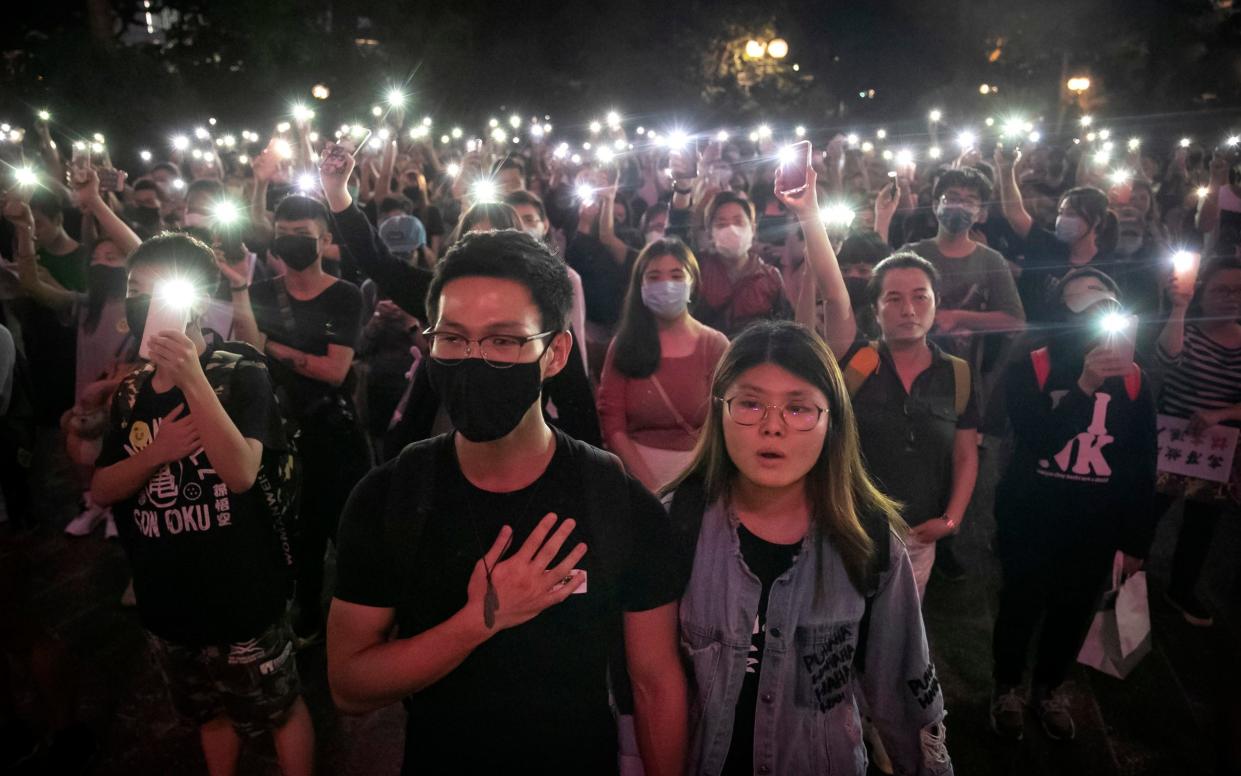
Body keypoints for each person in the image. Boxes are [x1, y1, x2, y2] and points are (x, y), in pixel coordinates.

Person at [327, 230, 688, 774]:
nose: (474, 359)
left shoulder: (615, 501)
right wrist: (480, 621)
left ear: (555, 353)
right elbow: (349, 685)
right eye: (453, 338)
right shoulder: (391, 496)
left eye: (503, 341)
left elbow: (655, 681)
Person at [667, 320, 952, 776]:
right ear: (720, 411)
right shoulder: (675, 526)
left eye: (799, 409)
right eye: (751, 403)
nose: (772, 427)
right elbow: (638, 687)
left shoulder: (868, 541)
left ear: (832, 421)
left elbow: (903, 689)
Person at [90, 233, 313, 775]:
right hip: (167, 595)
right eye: (134, 290)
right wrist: (156, 453)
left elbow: (239, 473)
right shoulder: (130, 392)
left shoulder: (239, 369)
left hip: (240, 589)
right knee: (207, 714)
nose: (144, 302)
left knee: (279, 709)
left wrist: (191, 375)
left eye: (159, 290)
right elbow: (101, 488)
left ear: (196, 297)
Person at [989, 267, 1157, 742]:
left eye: (1106, 309)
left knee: (1072, 611)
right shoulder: (1035, 365)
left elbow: (1142, 463)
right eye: (1082, 309)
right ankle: (1006, 686)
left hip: (1094, 527)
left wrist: (1135, 539)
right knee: (1020, 605)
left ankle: (1047, 688)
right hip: (1032, 518)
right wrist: (1082, 386)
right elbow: (1038, 440)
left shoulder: (1134, 379)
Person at [224, 194, 369, 642]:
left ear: (325, 239)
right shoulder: (261, 292)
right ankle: (307, 613)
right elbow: (247, 349)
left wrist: (274, 346)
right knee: (297, 530)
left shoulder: (344, 296)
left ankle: (362, 618)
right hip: (281, 430)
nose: (292, 244)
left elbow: (334, 370)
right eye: (284, 235)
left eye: (302, 237)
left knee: (347, 530)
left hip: (332, 431)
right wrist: (236, 291)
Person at [841, 253, 980, 598]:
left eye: (921, 296)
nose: (909, 309)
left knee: (899, 628)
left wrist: (950, 520)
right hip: (850, 529)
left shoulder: (957, 374)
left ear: (936, 303)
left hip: (919, 535)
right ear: (875, 309)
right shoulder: (855, 364)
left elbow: (965, 455)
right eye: (894, 298)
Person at [598, 238, 729, 491]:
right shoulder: (624, 345)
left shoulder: (714, 345)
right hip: (636, 481)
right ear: (640, 286)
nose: (666, 285)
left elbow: (725, 421)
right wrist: (649, 486)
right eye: (654, 277)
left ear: (693, 283)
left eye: (676, 275)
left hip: (700, 479)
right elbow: (612, 423)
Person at [1152, 257, 1241, 626]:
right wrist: (1179, 307)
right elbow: (1166, 362)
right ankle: (1122, 576)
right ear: (1202, 290)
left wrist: (1221, 415)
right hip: (1171, 438)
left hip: (1218, 448)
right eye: (1222, 289)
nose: (1232, 298)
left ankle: (1181, 589)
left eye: (1239, 291)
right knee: (1149, 512)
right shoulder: (1184, 327)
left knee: (1202, 525)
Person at [899, 168, 1026, 344]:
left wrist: (958, 317)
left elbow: (1015, 321)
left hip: (967, 368)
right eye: (952, 198)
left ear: (982, 215)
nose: (959, 206)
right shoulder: (911, 254)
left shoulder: (991, 260)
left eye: (969, 202)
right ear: (936, 206)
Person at [994, 149, 1115, 322]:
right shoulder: (1048, 244)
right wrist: (1006, 170)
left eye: (1072, 214)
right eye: (1061, 213)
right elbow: (1015, 213)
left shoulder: (1107, 265)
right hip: (1030, 338)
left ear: (1095, 220)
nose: (1063, 220)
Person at [669, 189, 794, 338]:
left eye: (738, 221)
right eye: (721, 224)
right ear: (710, 233)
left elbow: (785, 329)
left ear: (752, 229)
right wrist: (683, 187)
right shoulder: (697, 269)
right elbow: (675, 241)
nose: (731, 229)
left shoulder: (770, 278)